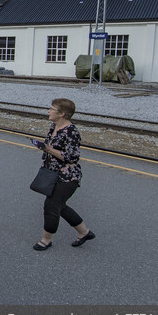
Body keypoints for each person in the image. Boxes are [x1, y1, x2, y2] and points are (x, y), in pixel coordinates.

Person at [33, 98, 95, 251]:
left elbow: (72, 157)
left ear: (62, 114)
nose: (49, 111)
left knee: (51, 205)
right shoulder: (54, 126)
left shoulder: (71, 131)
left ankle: (46, 240)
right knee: (60, 205)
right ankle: (84, 232)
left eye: (52, 109)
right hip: (52, 173)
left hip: (68, 176)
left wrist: (48, 149)